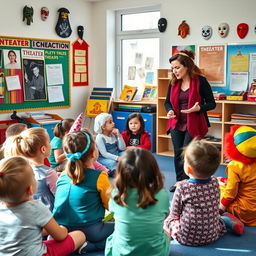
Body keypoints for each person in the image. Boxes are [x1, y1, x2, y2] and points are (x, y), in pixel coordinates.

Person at [0, 156, 86, 255]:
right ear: (30, 189)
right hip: (39, 253)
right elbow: (60, 236)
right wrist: (63, 228)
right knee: (79, 235)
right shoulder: (36, 207)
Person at [52, 130, 114, 253]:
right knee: (126, 228)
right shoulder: (99, 176)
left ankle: (69, 244)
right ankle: (91, 246)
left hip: (60, 228)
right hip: (91, 229)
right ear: (92, 153)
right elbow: (112, 205)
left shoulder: (63, 175)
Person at [164, 50, 216, 192]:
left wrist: (198, 108)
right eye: (172, 68)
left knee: (188, 153)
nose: (174, 71)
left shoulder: (201, 81)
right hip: (177, 122)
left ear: (186, 66)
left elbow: (212, 104)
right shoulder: (173, 83)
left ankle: (189, 182)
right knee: (178, 152)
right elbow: (167, 102)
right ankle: (179, 181)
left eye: (177, 67)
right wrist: (169, 110)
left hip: (194, 123)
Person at [105, 148, 170, 256]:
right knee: (166, 234)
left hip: (121, 253)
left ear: (121, 172)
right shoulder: (161, 194)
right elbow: (165, 215)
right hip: (155, 253)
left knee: (114, 235)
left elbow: (112, 212)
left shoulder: (116, 194)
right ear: (153, 171)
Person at [164, 139, 228, 246]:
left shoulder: (183, 187)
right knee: (217, 218)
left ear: (188, 169)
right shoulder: (215, 182)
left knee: (168, 220)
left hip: (187, 237)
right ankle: (228, 221)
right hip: (212, 234)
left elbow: (175, 213)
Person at [3, 127, 58, 211]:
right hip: (48, 213)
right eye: (49, 142)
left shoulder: (21, 170)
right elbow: (59, 196)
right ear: (43, 149)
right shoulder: (49, 173)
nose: (51, 144)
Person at [220, 125, 256, 226]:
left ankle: (228, 219)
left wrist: (220, 209)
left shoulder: (235, 165)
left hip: (244, 211)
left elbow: (230, 194)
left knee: (219, 188)